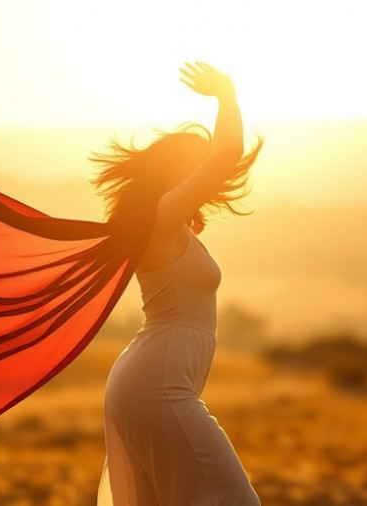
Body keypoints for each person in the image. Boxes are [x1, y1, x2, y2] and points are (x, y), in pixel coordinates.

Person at [93, 62, 263, 505]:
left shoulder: (172, 225)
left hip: (151, 383)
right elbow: (228, 151)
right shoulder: (161, 218)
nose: (206, 174)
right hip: (157, 386)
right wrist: (226, 92)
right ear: (173, 172)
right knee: (234, 501)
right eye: (197, 166)